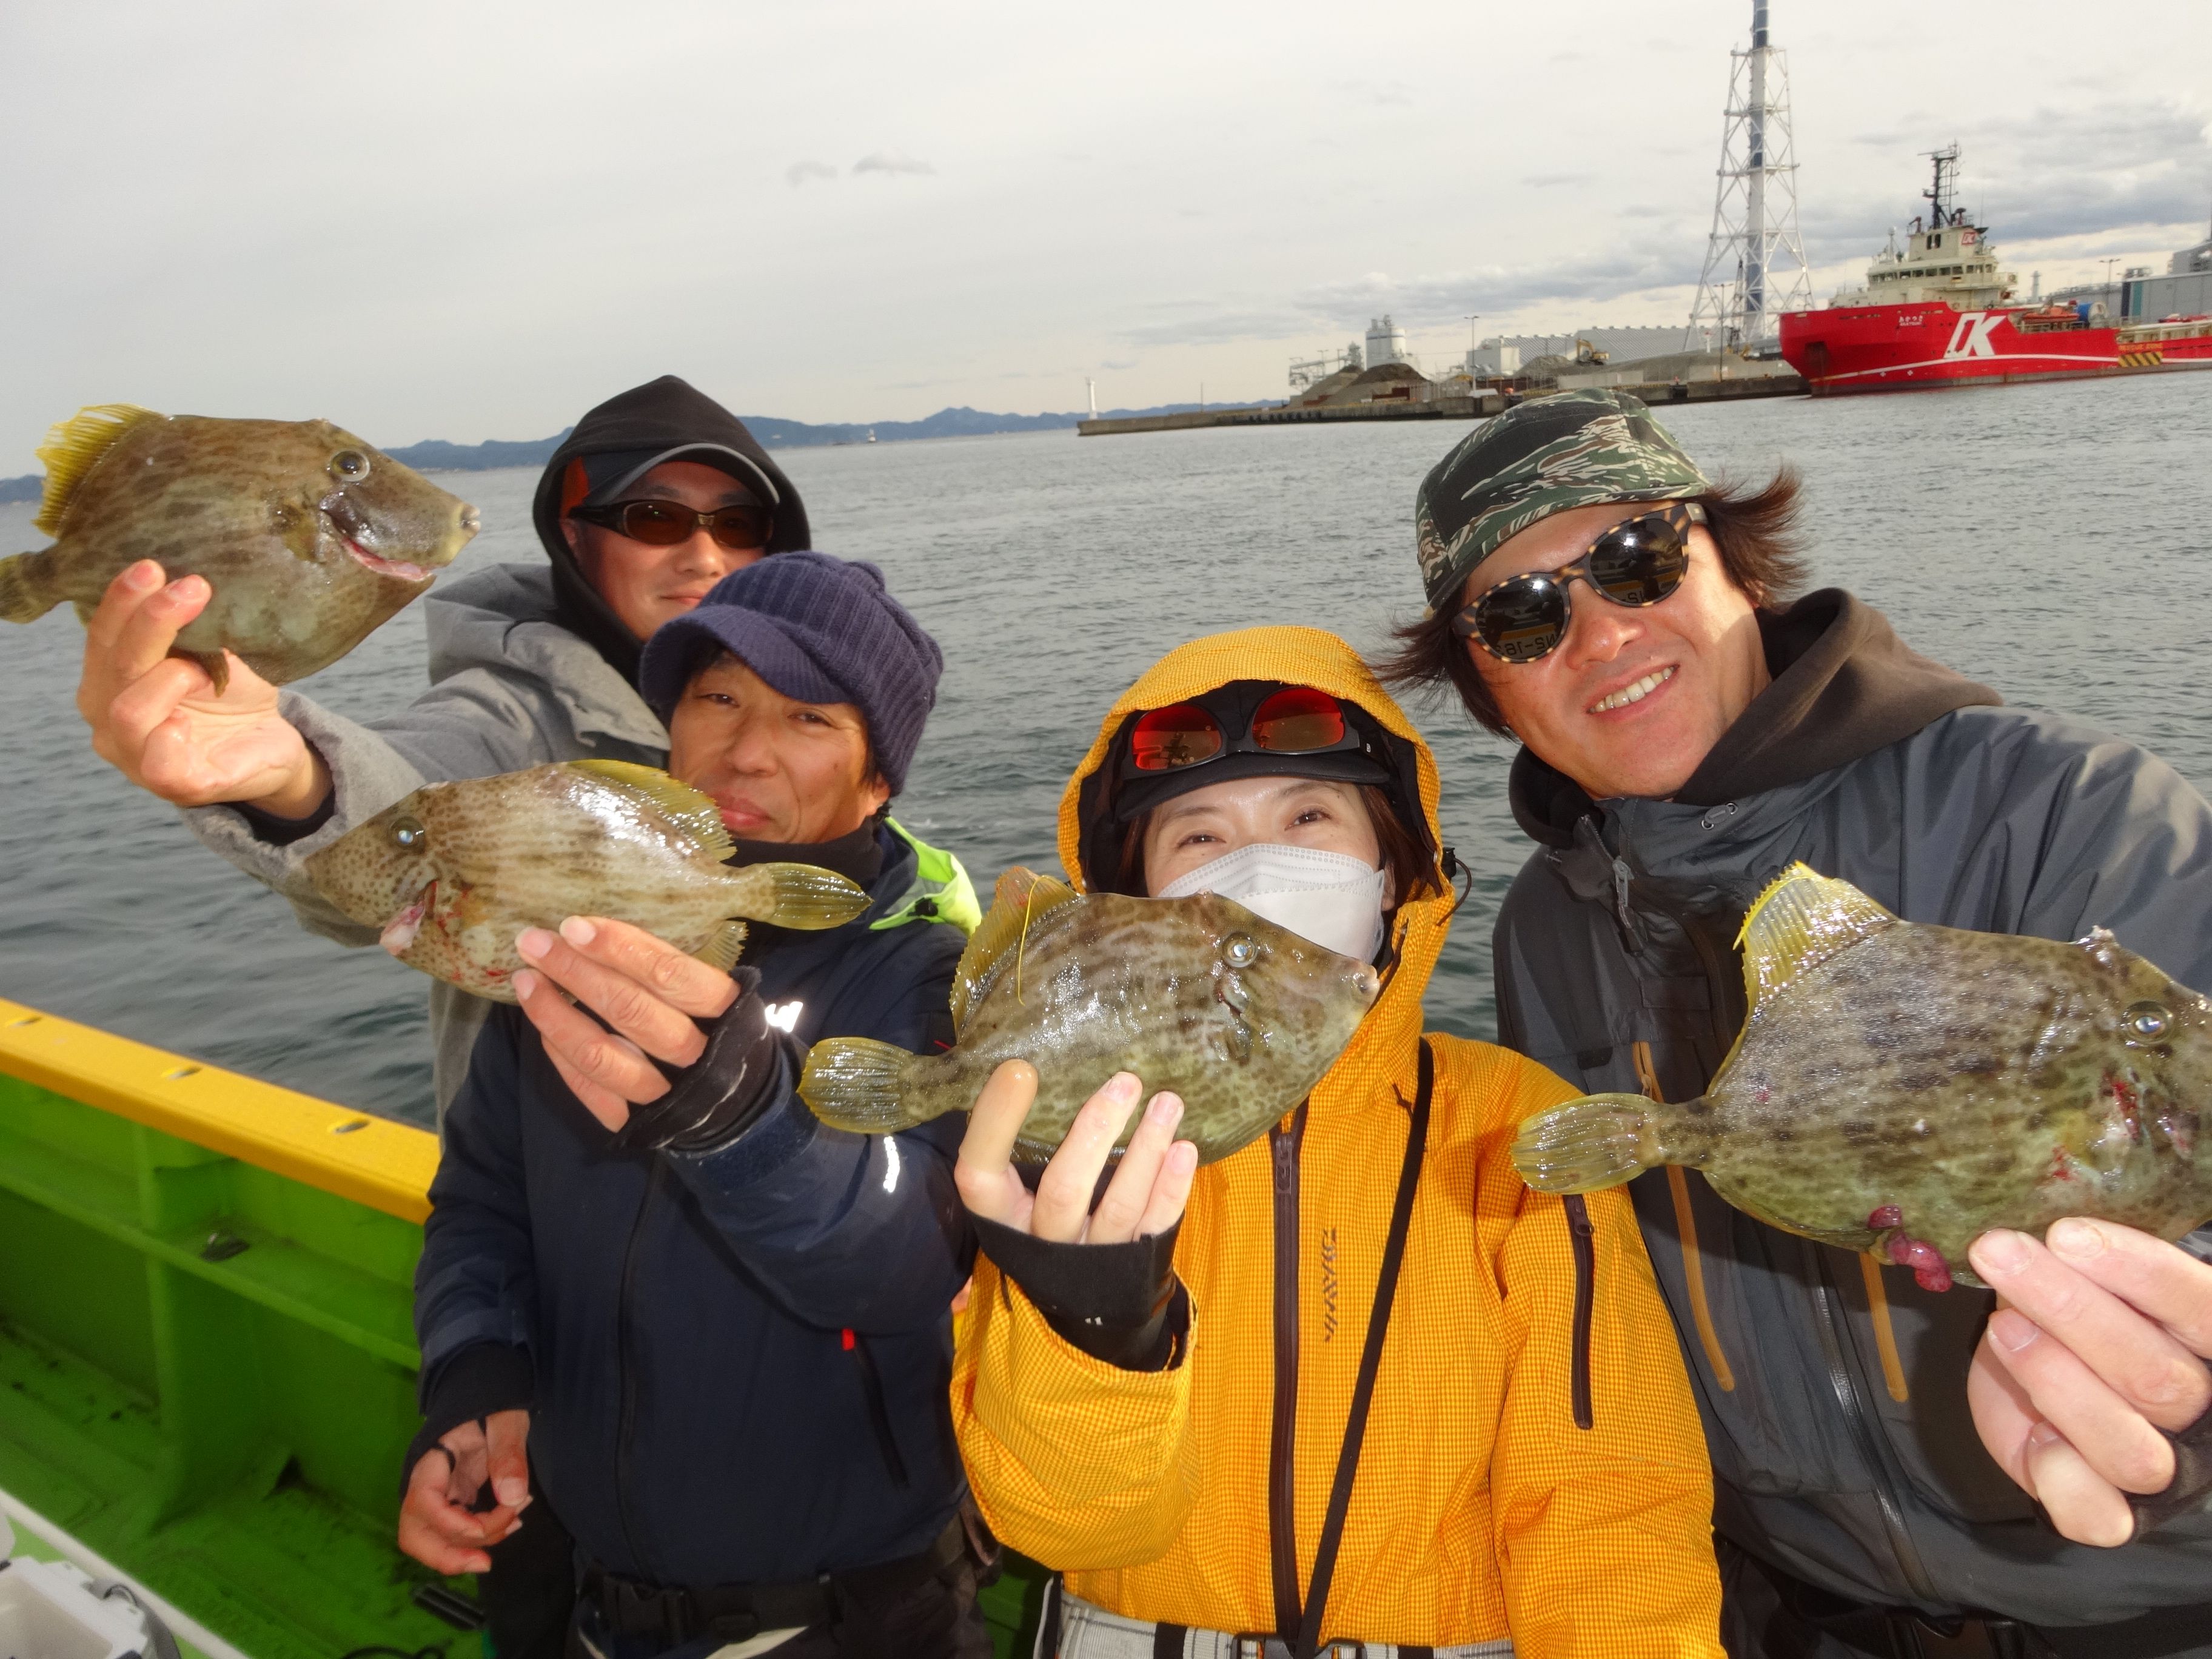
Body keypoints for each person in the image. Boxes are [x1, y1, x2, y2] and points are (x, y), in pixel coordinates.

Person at [1385, 387, 2212, 1658]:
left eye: (1637, 557)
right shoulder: (1543, 926)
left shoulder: (2061, 808)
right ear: (1489, 690)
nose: (1602, 633)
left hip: (2144, 1613)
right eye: (1522, 615)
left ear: (1740, 565)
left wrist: (2176, 1393)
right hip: (1786, 1622)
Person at [947, 629, 1724, 1657]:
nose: (1258, 864)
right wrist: (1096, 1332)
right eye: (1198, 836)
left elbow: (1613, 1509)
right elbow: (1064, 1527)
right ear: (1137, 909)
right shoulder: (1081, 1139)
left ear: (1394, 870)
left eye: (1308, 816)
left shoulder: (1510, 1121)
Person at [396, 552, 989, 1659]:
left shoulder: (928, 983)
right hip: (588, 1596)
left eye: (808, 717)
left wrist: (746, 1123)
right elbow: (482, 1202)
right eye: (717, 697)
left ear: (878, 781)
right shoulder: (572, 947)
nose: (745, 748)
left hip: (847, 1617)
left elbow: (911, 1261)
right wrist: (480, 1382)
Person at [73, 373, 835, 1117]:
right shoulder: (518, 712)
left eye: (739, 525)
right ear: (576, 537)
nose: (704, 556)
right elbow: (421, 800)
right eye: (655, 518)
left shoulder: (836, 696)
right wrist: (296, 784)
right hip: (536, 1171)